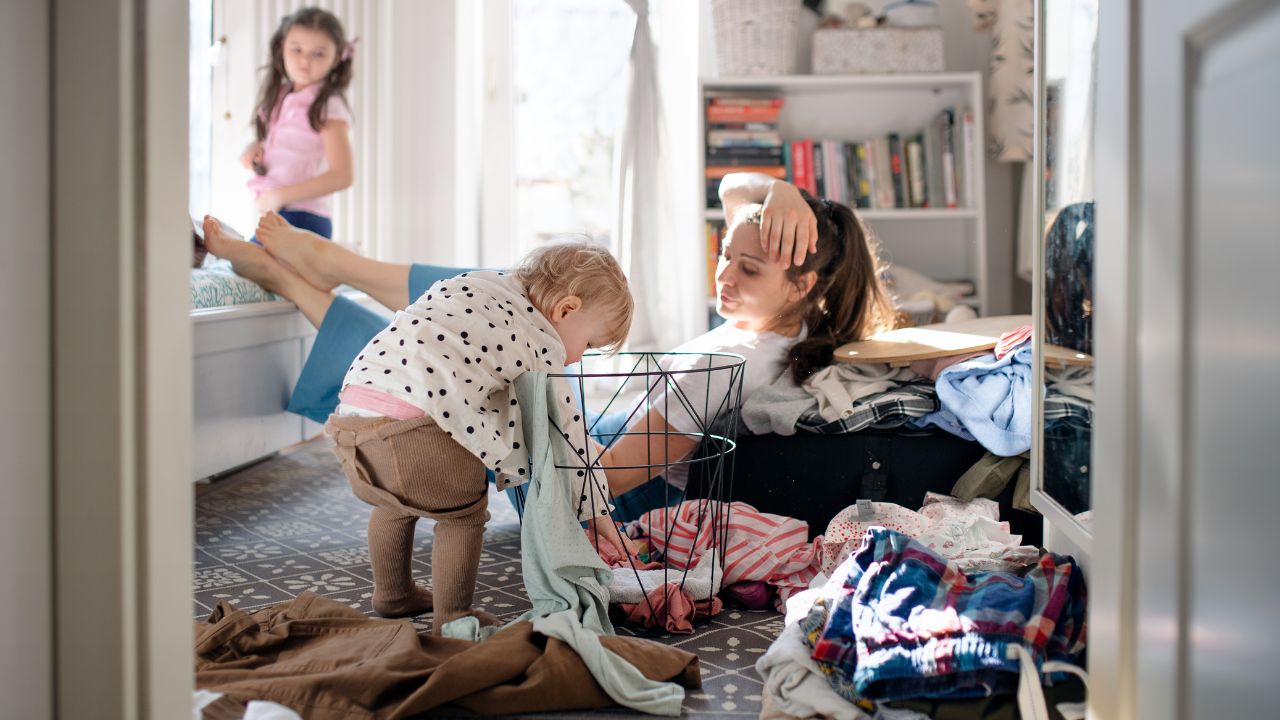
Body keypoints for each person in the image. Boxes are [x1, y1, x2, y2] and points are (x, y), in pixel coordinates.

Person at [202, 172, 895, 519]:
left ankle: (325, 272)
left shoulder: (725, 366)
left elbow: (599, 483)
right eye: (725, 252)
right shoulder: (794, 331)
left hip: (570, 482)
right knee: (494, 309)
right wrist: (779, 192)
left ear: (804, 284)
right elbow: (734, 189)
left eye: (750, 268)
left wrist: (514, 396)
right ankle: (314, 277)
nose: (725, 274)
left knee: (466, 333)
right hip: (587, 438)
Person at [242, 7, 355, 241]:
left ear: (336, 59)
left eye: (318, 54)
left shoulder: (327, 105)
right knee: (244, 262)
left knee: (245, 262)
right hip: (279, 213)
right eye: (297, 49)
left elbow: (342, 175)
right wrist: (255, 147)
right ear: (281, 47)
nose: (304, 60)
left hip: (305, 218)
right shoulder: (281, 95)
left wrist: (280, 196)